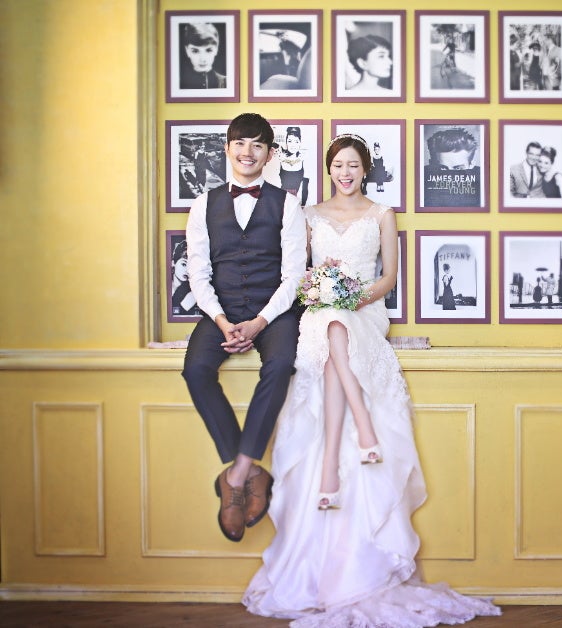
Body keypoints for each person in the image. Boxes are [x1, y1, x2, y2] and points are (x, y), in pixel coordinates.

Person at [243, 134, 500, 626]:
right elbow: (296, 276)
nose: (346, 172)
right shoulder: (308, 214)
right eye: (339, 165)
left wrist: (350, 297)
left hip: (365, 310)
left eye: (354, 165)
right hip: (322, 313)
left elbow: (388, 279)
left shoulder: (383, 214)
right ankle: (359, 432)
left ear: (365, 170)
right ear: (329, 169)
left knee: (339, 326)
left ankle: (336, 464)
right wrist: (321, 293)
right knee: (329, 330)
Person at [182, 113, 307, 543]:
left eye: (257, 145)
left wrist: (259, 322)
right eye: (240, 143)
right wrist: (221, 320)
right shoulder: (203, 205)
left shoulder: (288, 204)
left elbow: (294, 275)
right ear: (227, 149)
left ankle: (235, 475)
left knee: (281, 365)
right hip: (221, 310)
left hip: (273, 312)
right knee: (196, 370)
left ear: (269, 154)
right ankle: (252, 470)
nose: (247, 152)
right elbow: (198, 274)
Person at [424, 127, 481, 207]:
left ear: (471, 165)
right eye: (443, 168)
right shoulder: (421, 181)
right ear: (431, 164)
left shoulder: (482, 186)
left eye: (458, 168)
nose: (450, 176)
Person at [180, 22, 227, 90]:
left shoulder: (227, 82)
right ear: (187, 51)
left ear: (216, 49)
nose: (202, 59)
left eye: (208, 50)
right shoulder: (179, 83)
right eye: (195, 51)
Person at [275, 126, 309, 205]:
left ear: (300, 143)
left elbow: (305, 187)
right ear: (286, 142)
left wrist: (302, 205)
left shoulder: (303, 160)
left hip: (297, 202)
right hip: (280, 200)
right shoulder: (280, 159)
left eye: (296, 141)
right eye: (290, 141)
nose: (293, 145)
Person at [170, 239, 198, 316]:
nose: (187, 270)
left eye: (192, 266)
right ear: (173, 263)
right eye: (184, 264)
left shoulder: (194, 293)